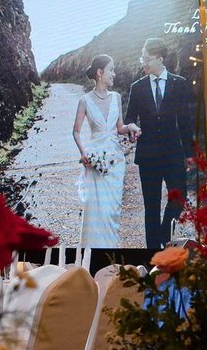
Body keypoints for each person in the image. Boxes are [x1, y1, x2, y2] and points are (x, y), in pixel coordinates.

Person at [122, 37, 196, 249]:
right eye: (142, 58)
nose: (143, 63)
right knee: (151, 207)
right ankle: (152, 253)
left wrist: (189, 154)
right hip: (148, 156)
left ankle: (164, 235)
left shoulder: (179, 83)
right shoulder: (137, 87)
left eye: (147, 58)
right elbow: (129, 119)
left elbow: (185, 121)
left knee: (179, 198)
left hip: (173, 154)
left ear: (160, 59)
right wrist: (132, 128)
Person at [72, 54, 132, 246]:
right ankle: (92, 251)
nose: (114, 74)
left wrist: (130, 127)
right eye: (111, 70)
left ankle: (111, 248)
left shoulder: (116, 97)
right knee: (96, 209)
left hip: (115, 160)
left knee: (112, 209)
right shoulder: (85, 101)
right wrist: (84, 153)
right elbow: (76, 131)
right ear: (100, 72)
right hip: (96, 159)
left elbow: (120, 128)